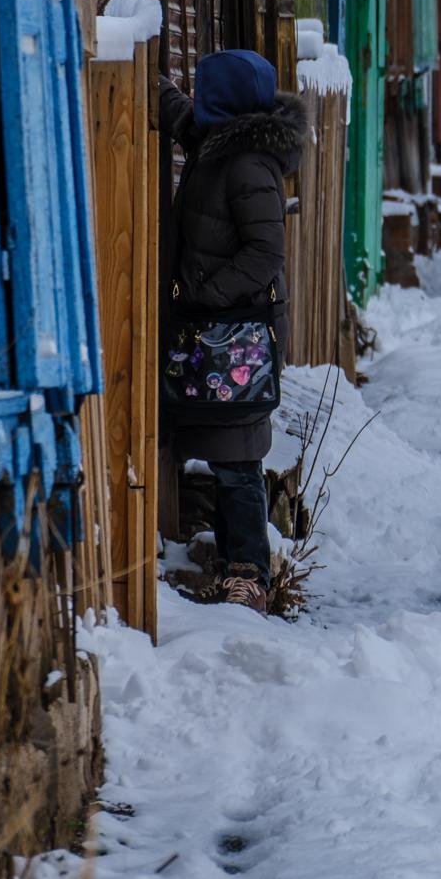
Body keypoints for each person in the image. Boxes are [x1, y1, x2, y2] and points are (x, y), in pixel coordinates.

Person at [159, 49, 307, 613]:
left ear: (223, 99)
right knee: (225, 447)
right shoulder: (216, 139)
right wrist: (154, 82)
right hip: (219, 327)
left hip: (239, 331)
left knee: (238, 455)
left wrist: (206, 293)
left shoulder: (246, 162)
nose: (196, 96)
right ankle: (235, 562)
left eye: (204, 89)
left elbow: (266, 250)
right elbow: (182, 118)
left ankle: (250, 575)